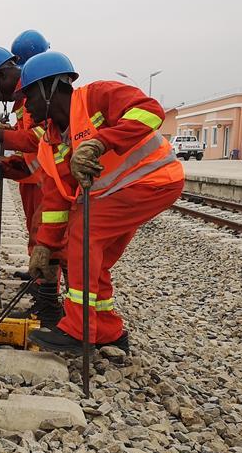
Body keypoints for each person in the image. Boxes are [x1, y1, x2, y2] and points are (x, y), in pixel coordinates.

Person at [17, 52, 184, 356]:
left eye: (29, 96)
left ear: (50, 88)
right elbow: (56, 199)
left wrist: (100, 141)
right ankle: (108, 331)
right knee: (98, 257)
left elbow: (150, 111)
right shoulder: (54, 138)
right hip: (123, 190)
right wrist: (45, 247)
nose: (27, 106)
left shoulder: (97, 96)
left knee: (84, 232)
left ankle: (78, 330)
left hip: (153, 179)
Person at [0, 38, 63, 327]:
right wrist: (0, 168)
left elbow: (34, 140)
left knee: (50, 238)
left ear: (2, 74)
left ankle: (49, 307)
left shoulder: (35, 94)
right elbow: (31, 149)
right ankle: (44, 293)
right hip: (39, 176)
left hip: (50, 180)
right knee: (41, 236)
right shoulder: (25, 100)